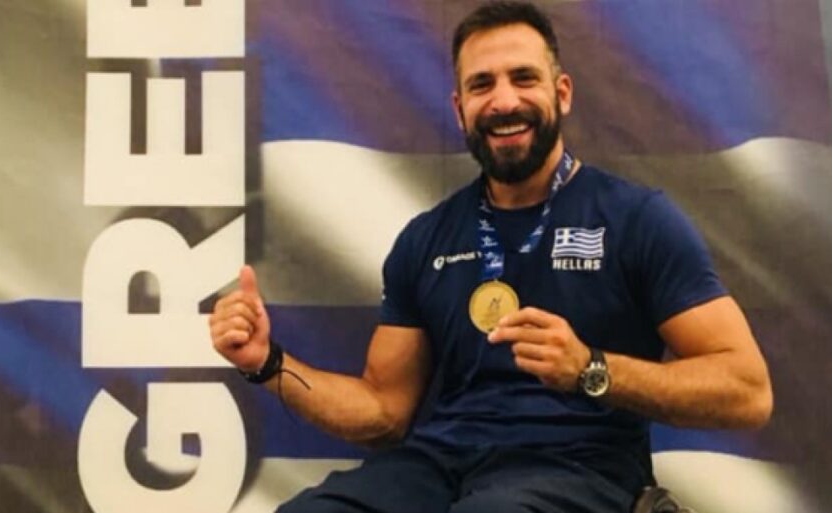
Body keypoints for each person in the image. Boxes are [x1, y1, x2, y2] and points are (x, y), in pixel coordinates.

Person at [209, 2, 773, 512]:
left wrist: (590, 368)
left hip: (581, 469)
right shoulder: (425, 239)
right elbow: (382, 412)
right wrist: (267, 363)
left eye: (523, 78)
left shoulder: (636, 220)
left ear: (562, 93)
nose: (504, 101)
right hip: (438, 465)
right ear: (460, 110)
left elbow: (747, 392)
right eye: (482, 84)